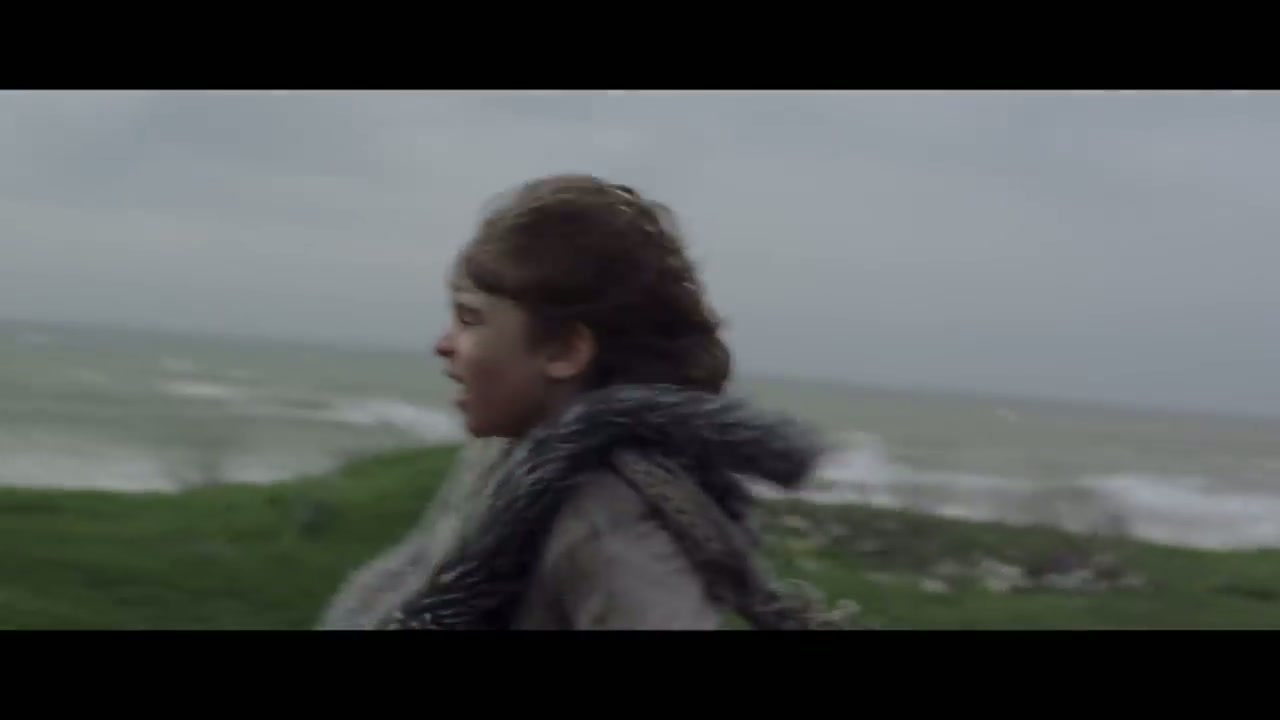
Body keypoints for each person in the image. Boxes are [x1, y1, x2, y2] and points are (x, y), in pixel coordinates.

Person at [371, 174, 855, 630]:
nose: (443, 344)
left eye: (469, 318)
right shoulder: (514, 466)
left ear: (564, 350)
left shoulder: (605, 517)